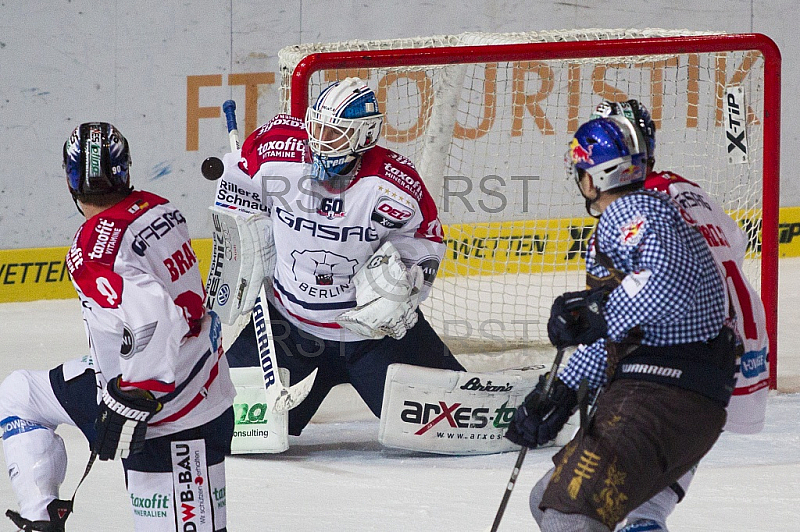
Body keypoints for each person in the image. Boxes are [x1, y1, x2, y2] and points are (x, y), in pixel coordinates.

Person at [505, 111, 741, 531]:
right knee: (544, 499)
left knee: (569, 516)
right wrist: (560, 389)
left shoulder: (632, 214)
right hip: (679, 394)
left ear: (593, 179)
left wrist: (598, 311)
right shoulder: (656, 211)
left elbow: (667, 285)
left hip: (661, 397)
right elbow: (630, 331)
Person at [0, 122, 236, 531]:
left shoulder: (91, 250)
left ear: (71, 180)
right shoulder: (158, 207)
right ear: (125, 168)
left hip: (171, 417)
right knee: (21, 396)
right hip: (193, 381)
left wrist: (134, 395)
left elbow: (157, 317)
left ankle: (41, 510)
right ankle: (41, 518)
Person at [220, 77, 464, 437]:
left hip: (373, 338)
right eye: (315, 127)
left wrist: (408, 289)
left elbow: (425, 240)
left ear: (364, 136)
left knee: (454, 427)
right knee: (217, 424)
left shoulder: (393, 183)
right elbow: (235, 184)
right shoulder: (275, 151)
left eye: (333, 134)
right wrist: (243, 226)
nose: (318, 142)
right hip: (289, 331)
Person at [590, 100, 770, 531]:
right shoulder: (686, 188)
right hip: (746, 337)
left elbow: (621, 303)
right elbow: (733, 245)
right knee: (685, 427)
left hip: (694, 343)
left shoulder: (630, 208)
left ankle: (639, 514)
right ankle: (647, 516)